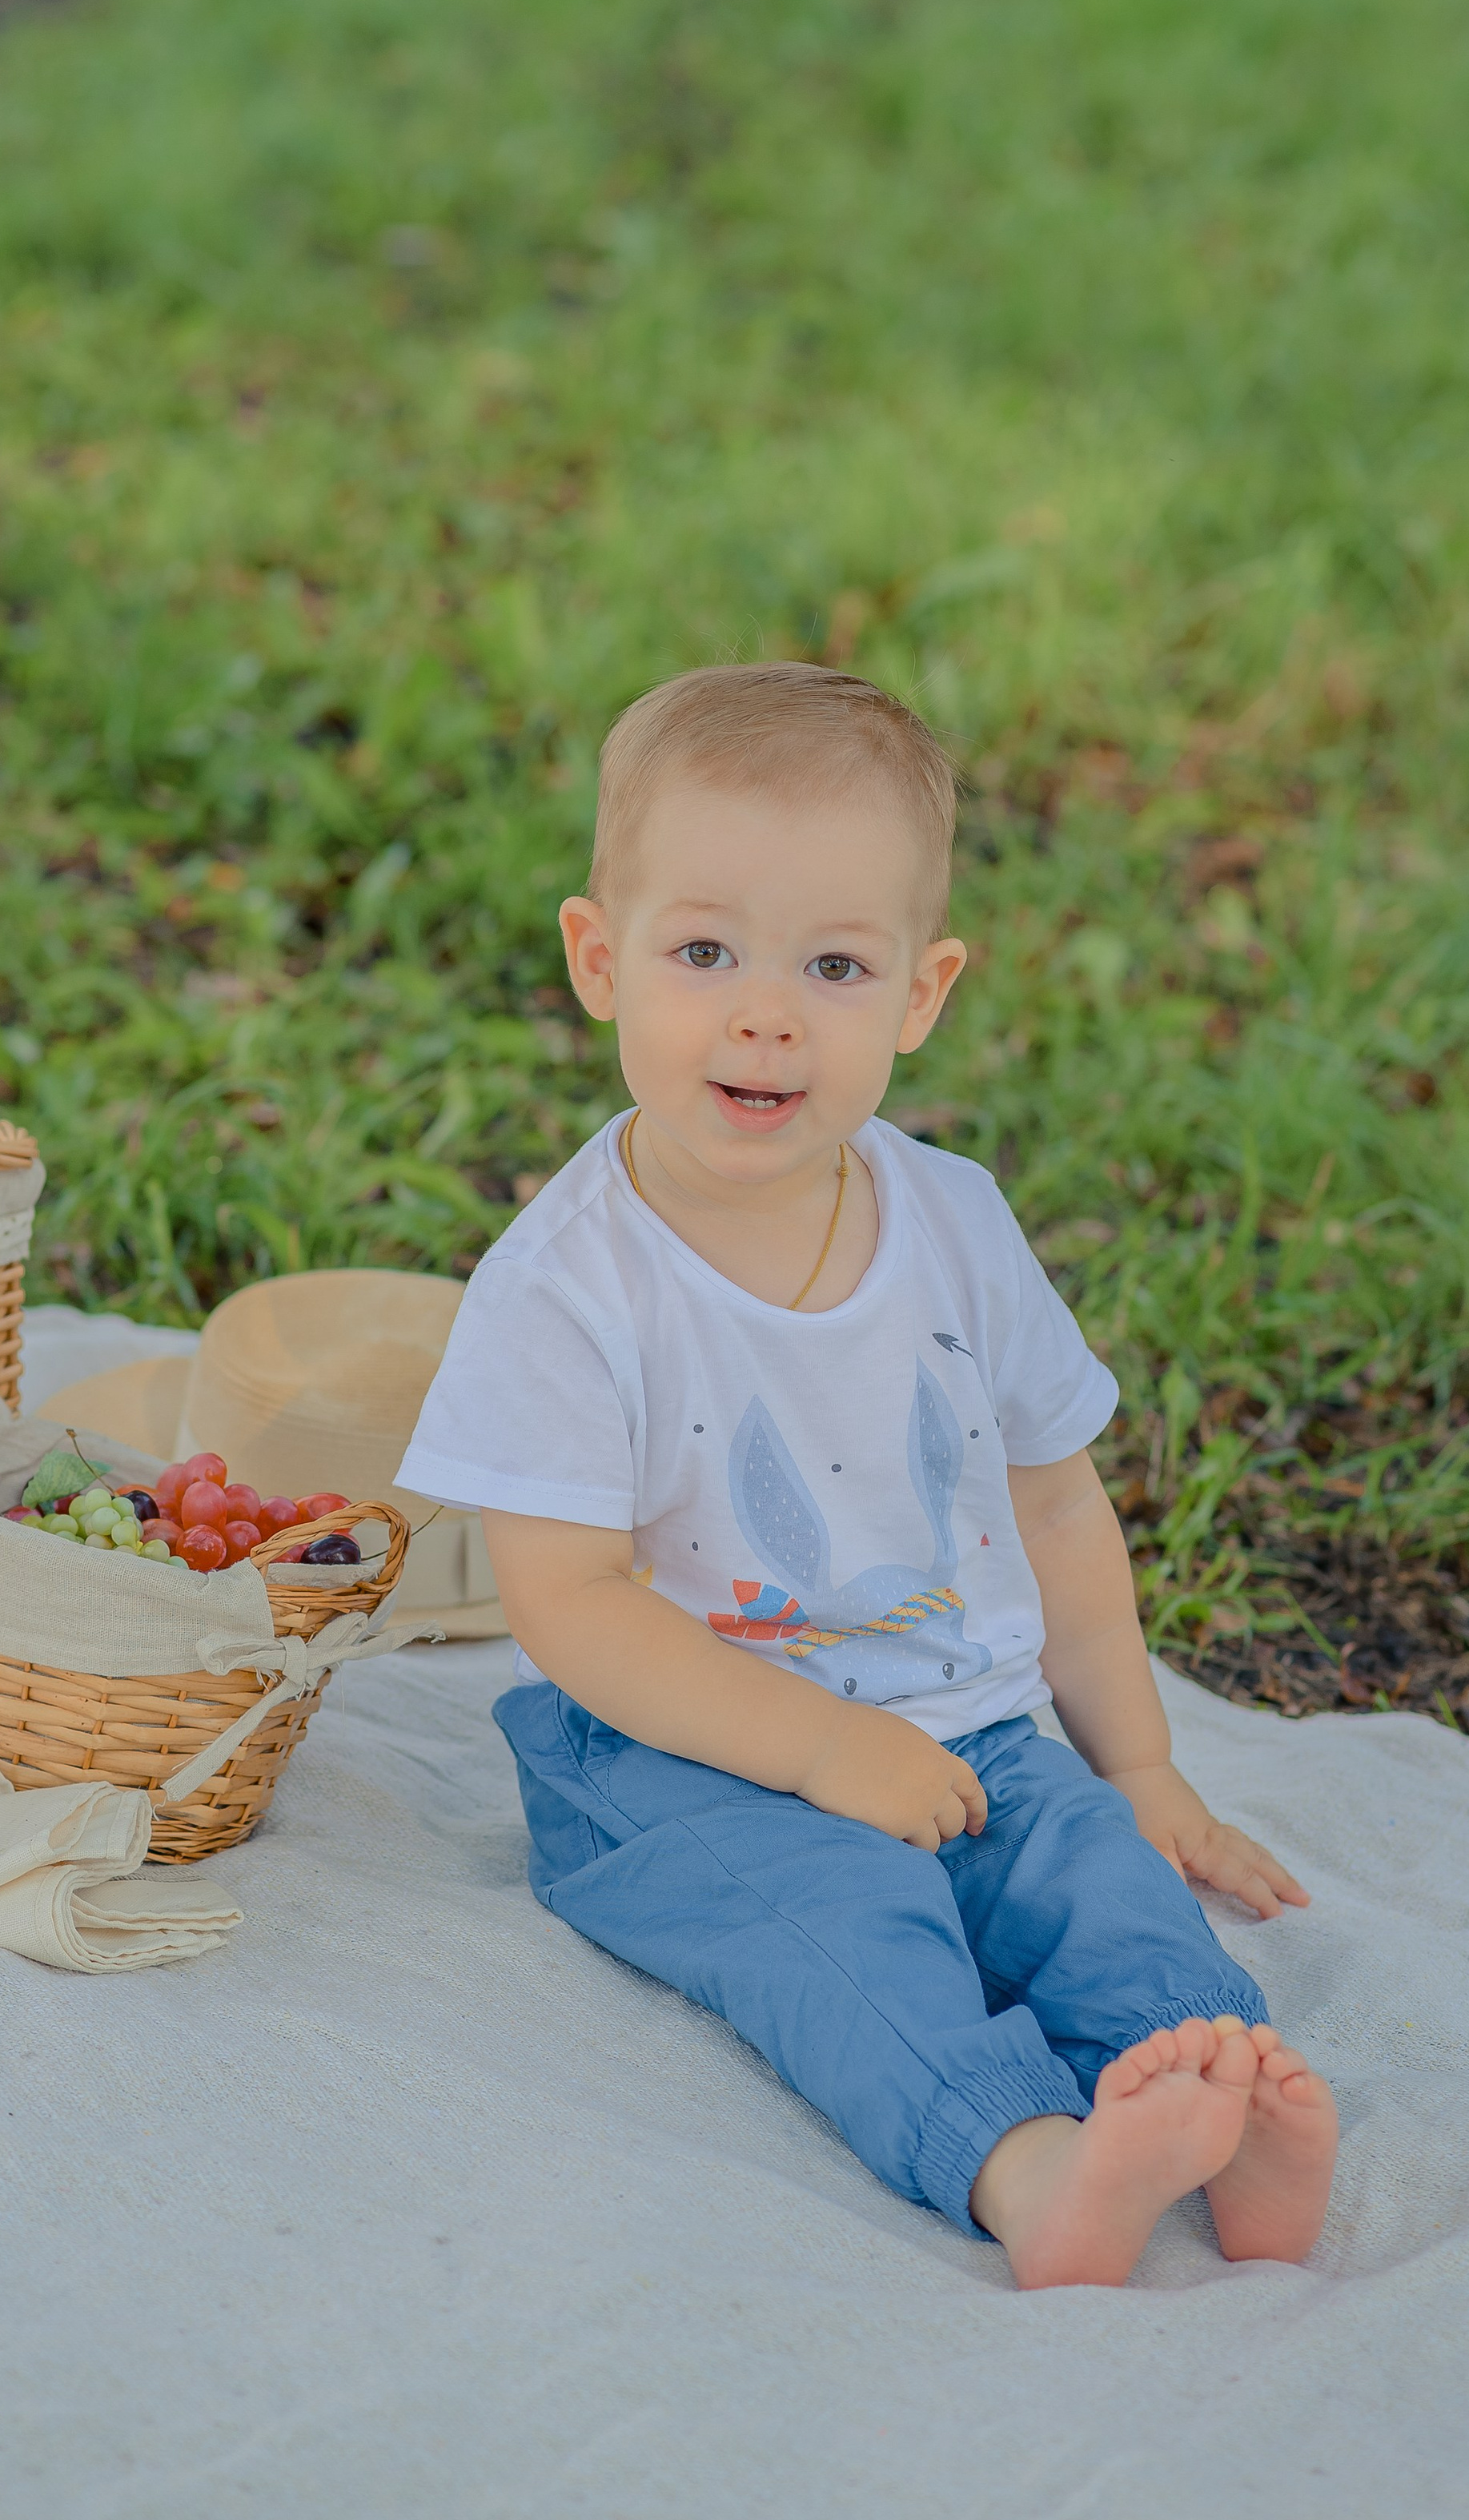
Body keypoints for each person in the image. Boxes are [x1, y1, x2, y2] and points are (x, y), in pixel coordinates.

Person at [396, 663, 1338, 2288]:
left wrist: (1145, 1771)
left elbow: (1051, 1501)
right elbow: (564, 1600)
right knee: (842, 1932)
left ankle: (1210, 2096)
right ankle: (1032, 2168)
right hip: (679, 1756)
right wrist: (817, 1745)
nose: (765, 1012)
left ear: (919, 992)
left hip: (961, 1718)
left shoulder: (953, 1224)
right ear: (596, 960)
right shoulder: (568, 1287)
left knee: (1092, 1883)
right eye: (702, 953)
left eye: (833, 964)